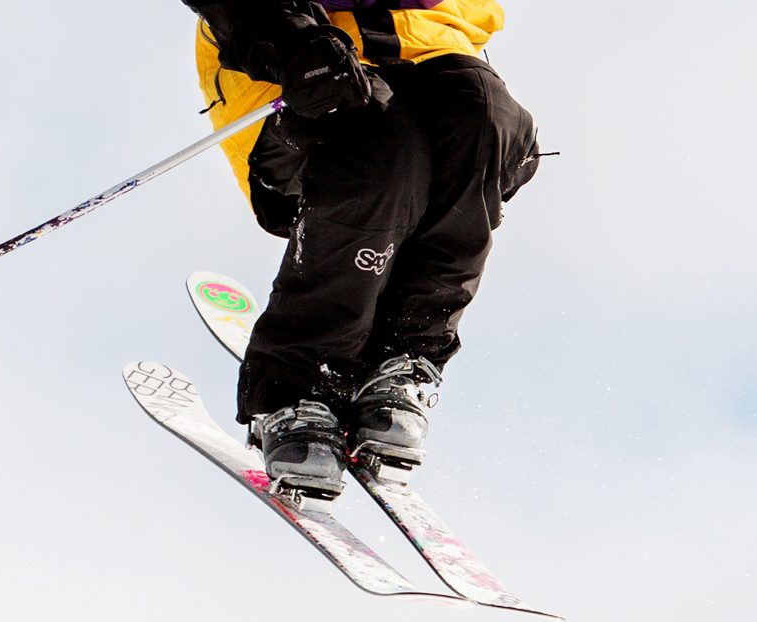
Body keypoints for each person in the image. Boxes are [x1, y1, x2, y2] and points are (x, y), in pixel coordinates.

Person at [179, 1, 543, 496]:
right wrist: (285, 40)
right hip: (290, 66)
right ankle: (299, 381)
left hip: (427, 50)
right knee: (379, 149)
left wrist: (505, 138)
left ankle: (402, 358)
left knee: (482, 121)